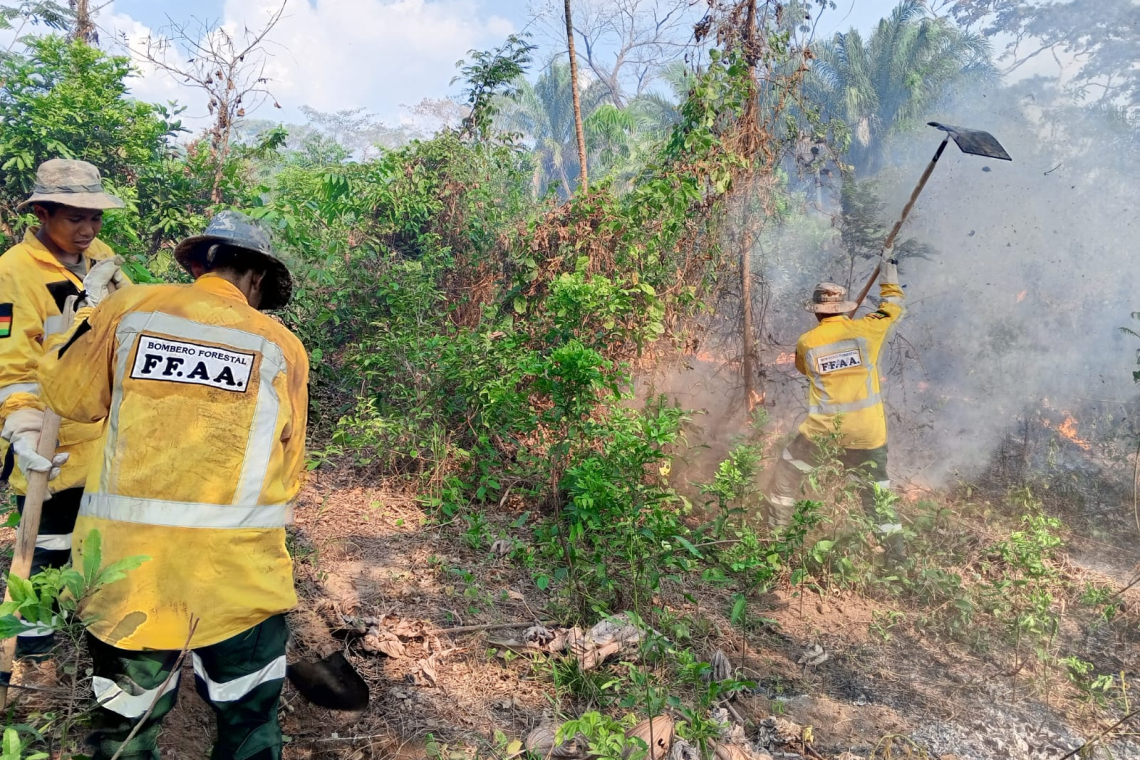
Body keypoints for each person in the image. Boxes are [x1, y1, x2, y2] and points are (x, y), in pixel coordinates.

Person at [37, 211, 309, 760]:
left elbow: (69, 399)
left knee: (124, 731)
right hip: (238, 582)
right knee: (249, 725)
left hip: (129, 577)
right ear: (257, 278)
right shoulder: (282, 346)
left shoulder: (130, 310)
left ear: (200, 262)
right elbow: (290, 471)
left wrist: (87, 318)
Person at [0, 158, 129, 661]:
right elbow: (12, 366)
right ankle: (32, 656)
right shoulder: (13, 273)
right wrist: (23, 430)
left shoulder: (101, 260)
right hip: (48, 443)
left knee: (90, 545)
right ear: (44, 213)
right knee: (43, 551)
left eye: (94, 218)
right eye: (74, 217)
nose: (87, 229)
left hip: (100, 440)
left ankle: (82, 639)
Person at [765, 250, 906, 558]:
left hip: (823, 435)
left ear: (817, 312)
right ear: (844, 309)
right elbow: (892, 306)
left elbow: (805, 370)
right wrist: (888, 275)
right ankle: (896, 559)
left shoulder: (808, 342)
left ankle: (773, 544)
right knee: (877, 497)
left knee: (787, 476)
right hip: (868, 436)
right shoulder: (867, 329)